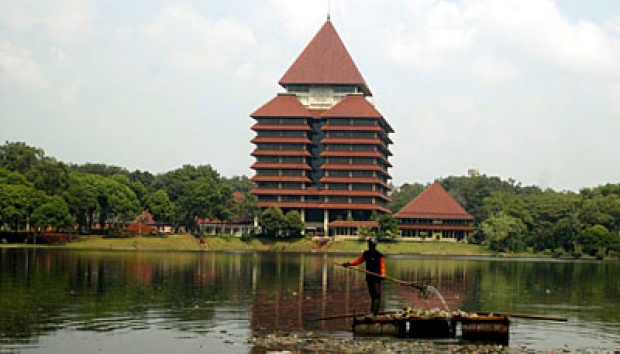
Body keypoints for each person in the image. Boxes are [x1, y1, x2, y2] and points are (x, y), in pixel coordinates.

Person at [342, 237, 385, 315]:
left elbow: (382, 266)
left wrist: (382, 274)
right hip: (370, 277)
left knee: (377, 296)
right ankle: (373, 313)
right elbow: (358, 261)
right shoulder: (366, 254)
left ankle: (374, 313)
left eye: (372, 244)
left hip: (377, 277)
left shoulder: (379, 255)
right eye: (370, 244)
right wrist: (349, 264)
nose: (370, 246)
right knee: (374, 296)